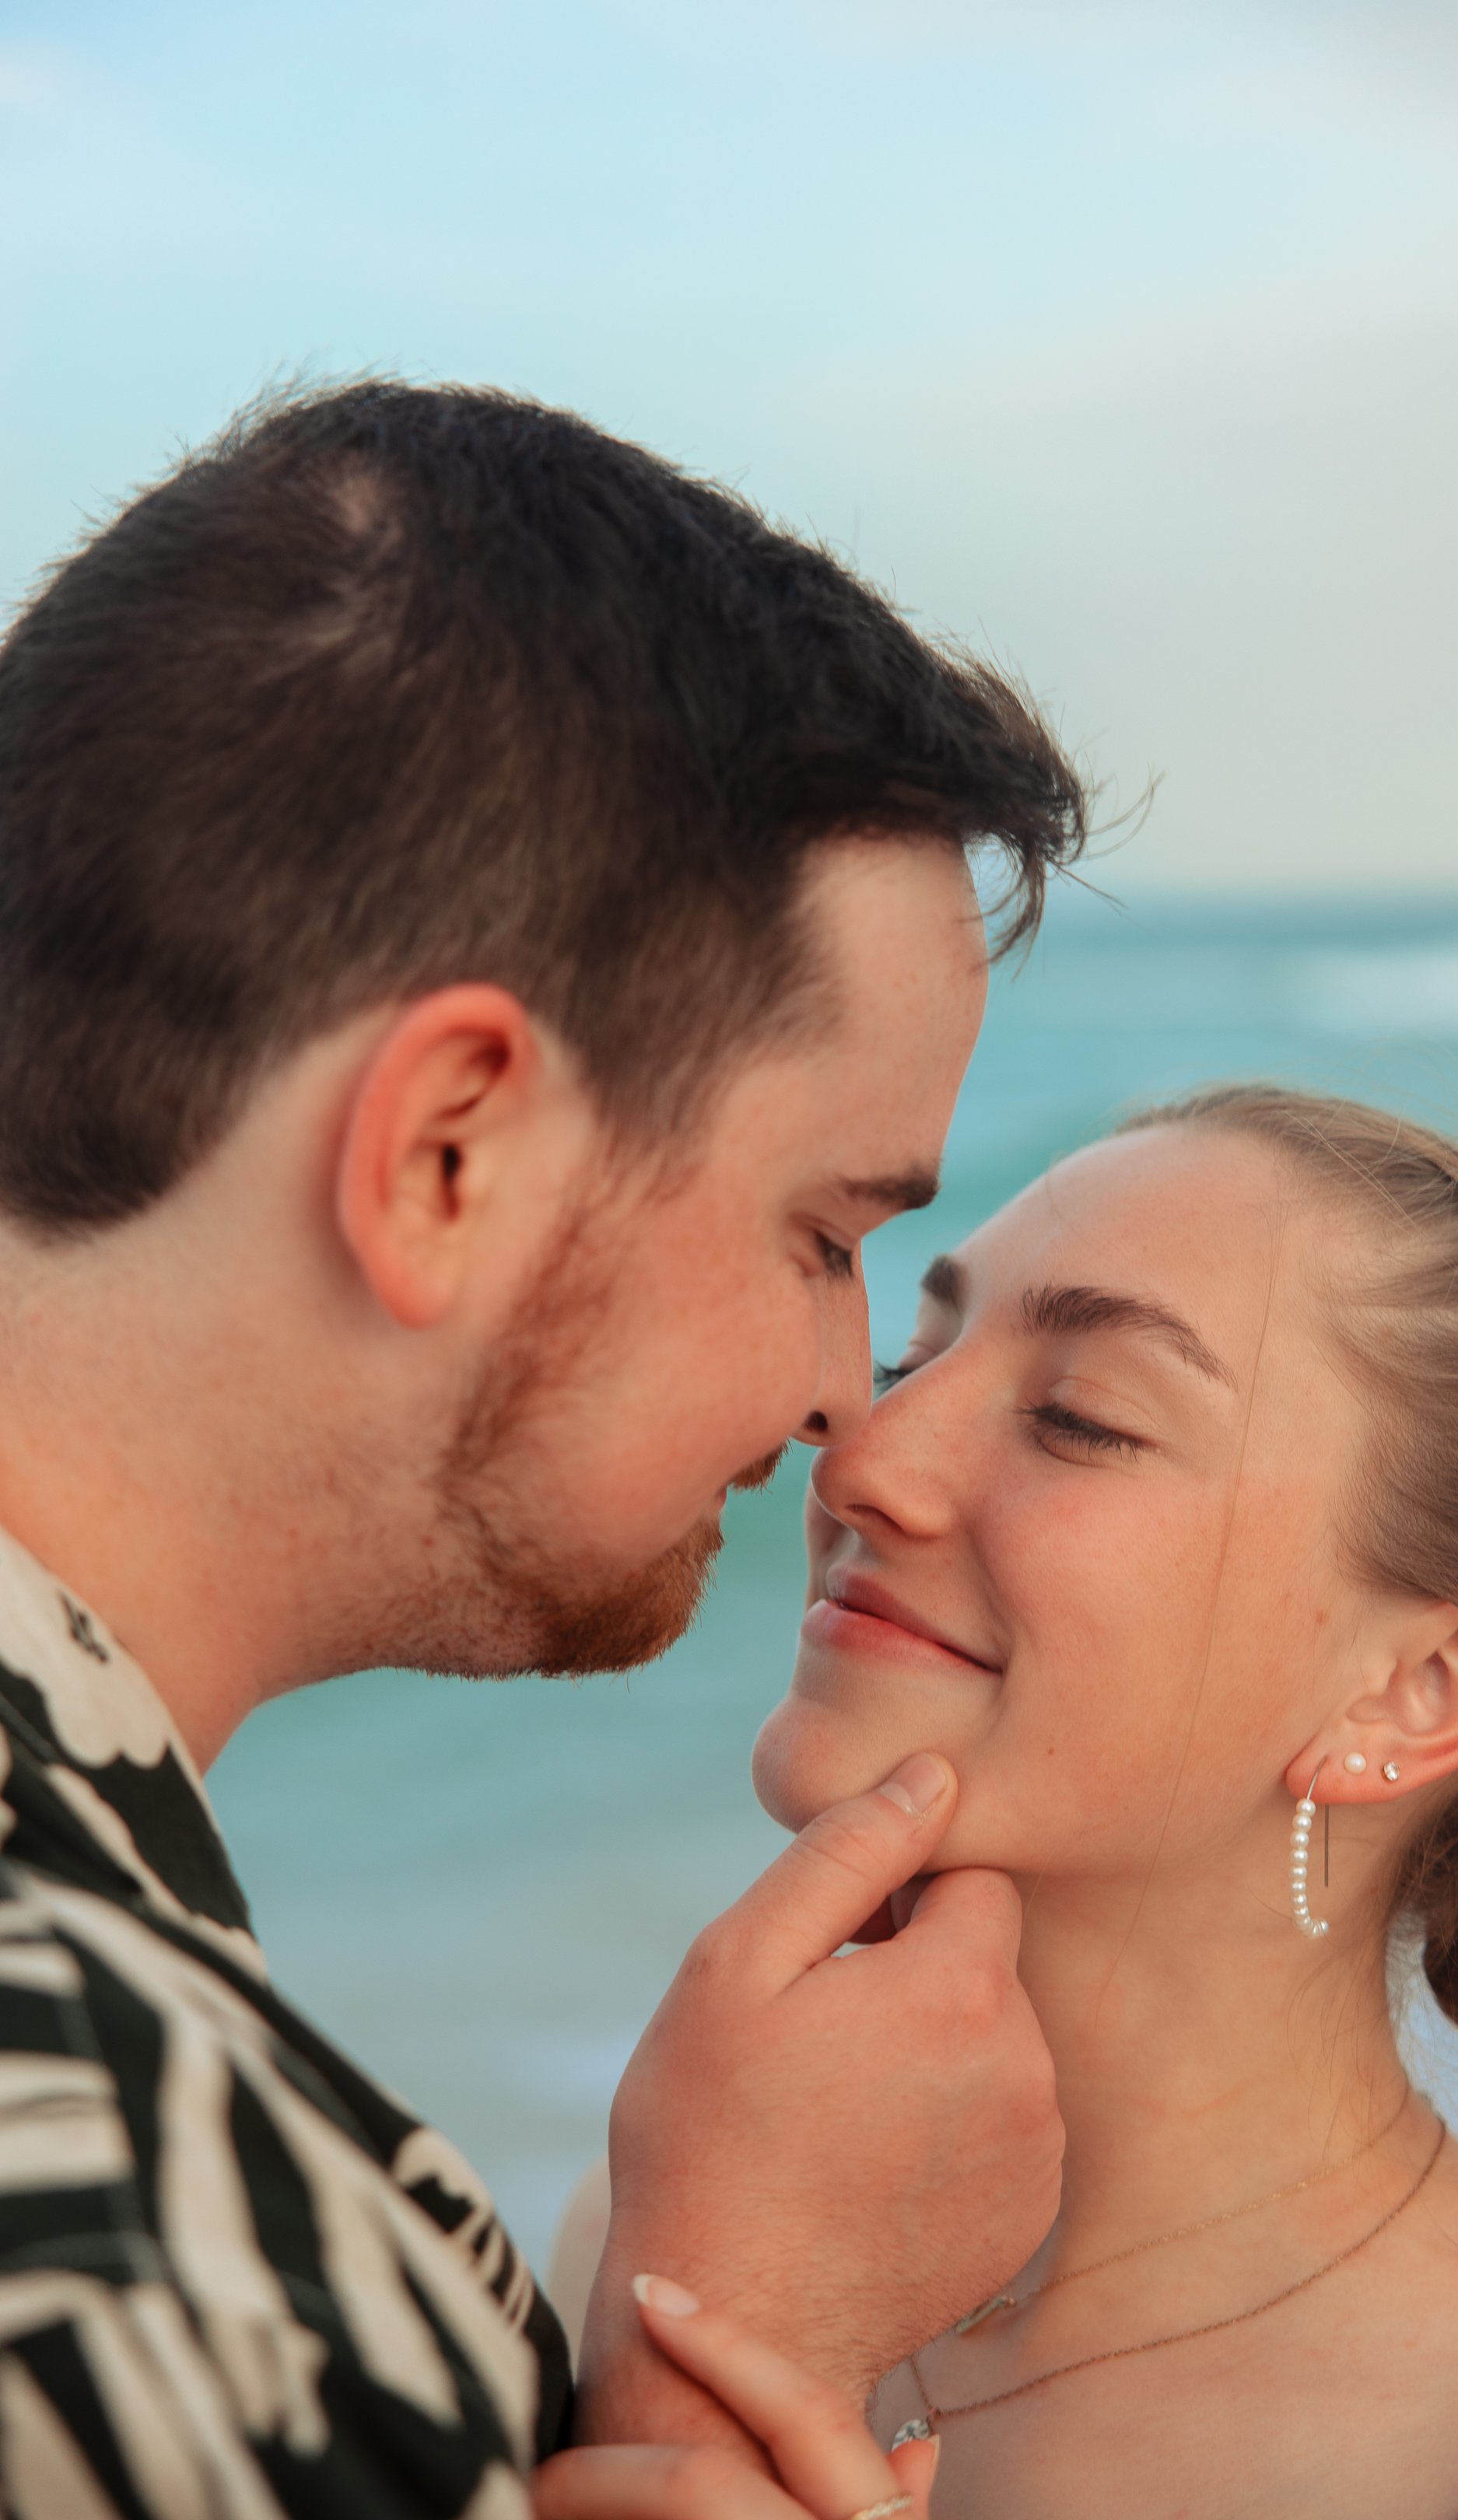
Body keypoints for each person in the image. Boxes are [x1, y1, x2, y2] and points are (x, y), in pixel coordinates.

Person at [0, 380, 1083, 2515]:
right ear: (445, 1151)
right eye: (827, 1233)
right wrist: (734, 2358)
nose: (848, 1396)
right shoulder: (138, 2244)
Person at [614, 1084, 1458, 2515]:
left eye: (1079, 1418)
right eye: (908, 1358)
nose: (862, 1463)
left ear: (1416, 1686)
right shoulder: (685, 2248)